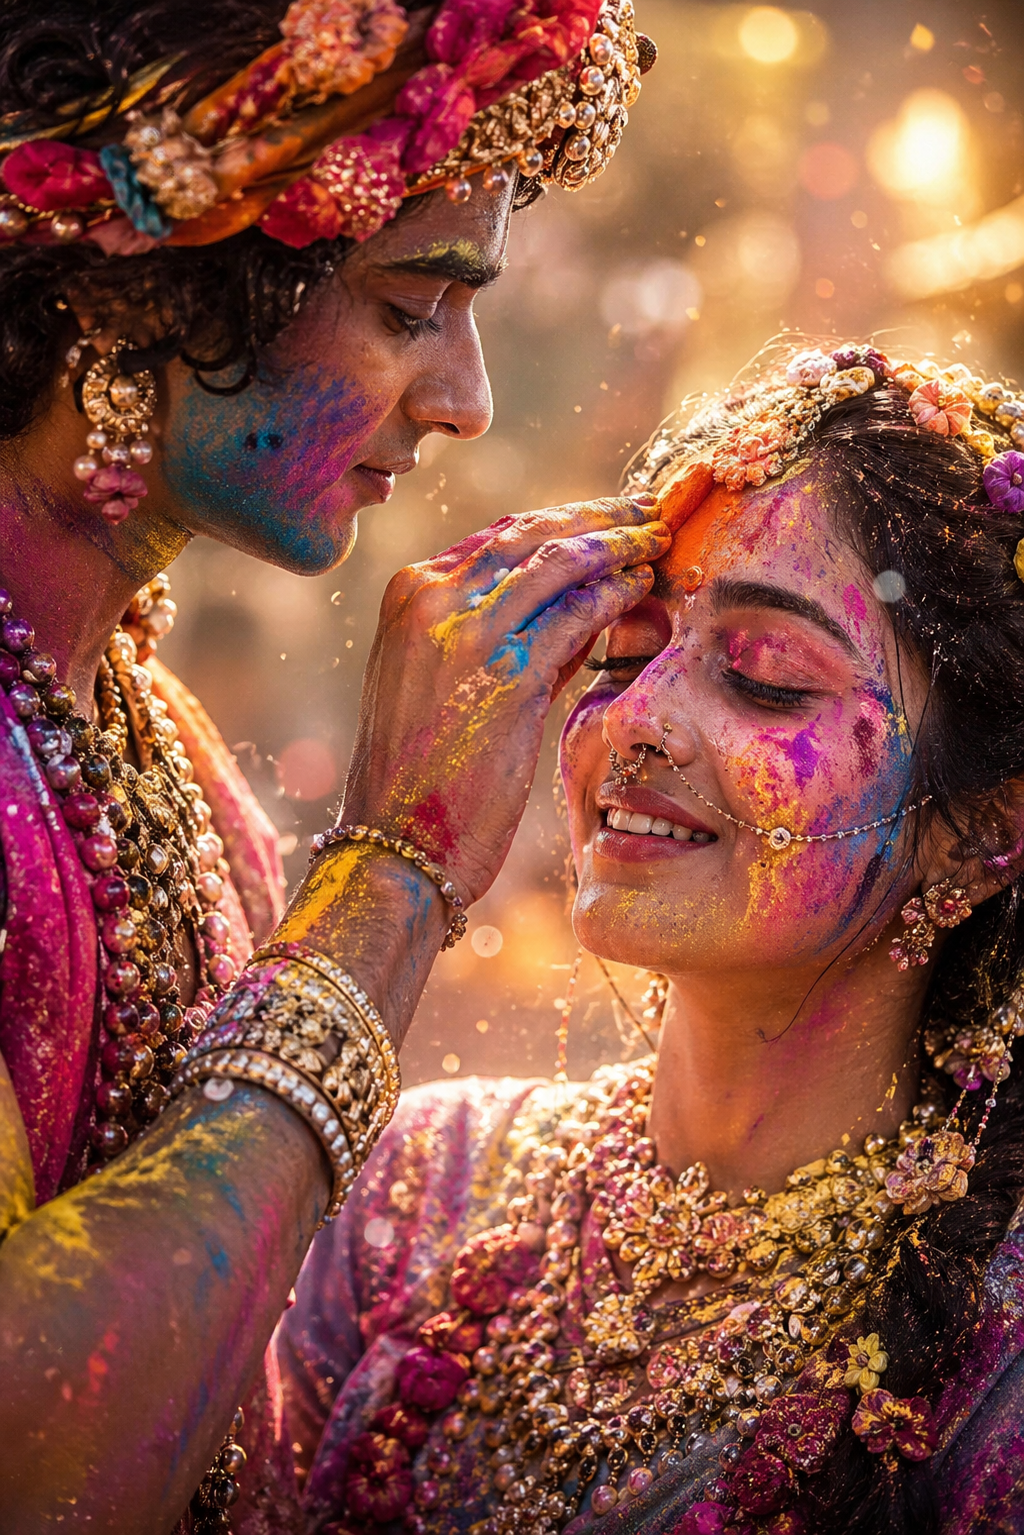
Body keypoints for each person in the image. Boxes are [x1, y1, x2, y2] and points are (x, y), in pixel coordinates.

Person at [0, 2, 666, 1530]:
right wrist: (402, 860)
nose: (465, 398)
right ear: (154, 286)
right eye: (410, 302)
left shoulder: (152, 749)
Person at [276, 341, 1024, 1535]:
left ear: (982, 827)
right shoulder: (411, 1188)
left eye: (767, 675)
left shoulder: (997, 1375)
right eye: (624, 650)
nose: (634, 717)